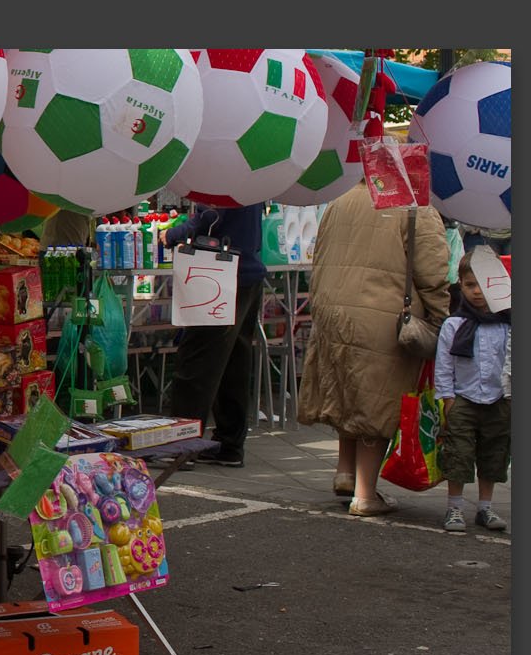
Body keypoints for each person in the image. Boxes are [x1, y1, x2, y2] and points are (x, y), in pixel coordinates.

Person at [297, 183, 450, 517]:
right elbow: (433, 270)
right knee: (376, 399)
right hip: (384, 311)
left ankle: (345, 472)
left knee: (346, 388)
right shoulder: (414, 204)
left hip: (333, 307)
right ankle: (365, 494)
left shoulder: (340, 196)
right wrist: (441, 317)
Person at [158, 202, 267, 467]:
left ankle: (181, 447)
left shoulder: (223, 169)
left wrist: (172, 234)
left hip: (219, 272)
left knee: (197, 362)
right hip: (247, 271)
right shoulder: (252, 170)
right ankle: (229, 445)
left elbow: (210, 216)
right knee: (234, 365)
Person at [434, 251, 511, 533]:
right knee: (458, 455)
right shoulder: (454, 325)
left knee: (494, 455)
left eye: (485, 284)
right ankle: (454, 508)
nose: (478, 292)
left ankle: (485, 508)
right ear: (461, 286)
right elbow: (444, 366)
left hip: (498, 401)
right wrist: (448, 400)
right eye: (470, 285)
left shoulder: (507, 324)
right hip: (463, 400)